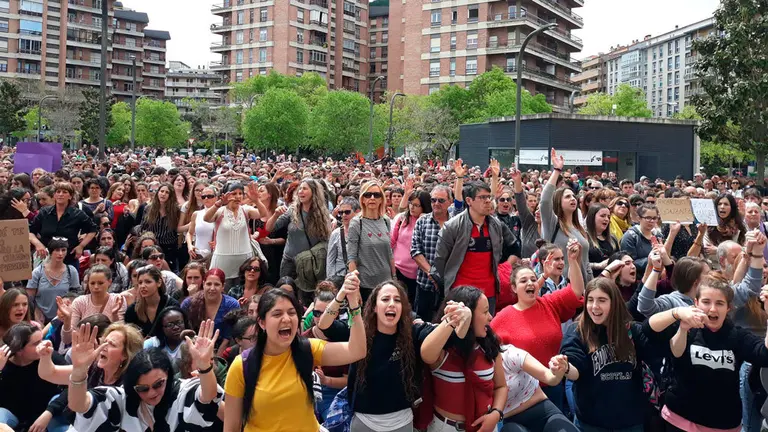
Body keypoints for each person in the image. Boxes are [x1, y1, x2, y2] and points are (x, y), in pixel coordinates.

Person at [223, 272, 366, 432]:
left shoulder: (308, 349)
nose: (286, 319)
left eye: (292, 313)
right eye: (277, 314)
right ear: (262, 323)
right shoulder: (241, 366)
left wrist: (353, 303)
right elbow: (231, 428)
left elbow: (357, 351)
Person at [644, 274, 768, 431]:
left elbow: (764, 355)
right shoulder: (686, 326)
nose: (713, 309)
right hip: (679, 418)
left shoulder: (737, 336)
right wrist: (676, 313)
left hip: (722, 424)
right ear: (696, 303)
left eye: (720, 303)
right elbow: (648, 329)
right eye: (706, 302)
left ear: (728, 308)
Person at [66, 320, 224, 431]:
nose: (152, 393)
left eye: (158, 384)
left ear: (168, 376)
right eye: (143, 388)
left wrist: (204, 367)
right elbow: (79, 405)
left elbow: (208, 396)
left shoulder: (180, 391)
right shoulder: (120, 397)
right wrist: (79, 371)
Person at [490, 239, 585, 411]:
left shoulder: (549, 303)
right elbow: (487, 350)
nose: (530, 283)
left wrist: (573, 261)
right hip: (523, 394)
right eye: (523, 281)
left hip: (555, 384)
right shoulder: (503, 318)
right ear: (513, 287)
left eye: (533, 279)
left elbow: (576, 291)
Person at [561, 278, 656, 432]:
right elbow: (575, 368)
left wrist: (675, 314)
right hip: (591, 422)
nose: (594, 306)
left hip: (630, 421)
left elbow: (654, 347)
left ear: (614, 303)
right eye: (590, 300)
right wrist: (564, 367)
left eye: (602, 300)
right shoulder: (578, 331)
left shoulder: (631, 330)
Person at [419, 286, 509, 432]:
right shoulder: (443, 348)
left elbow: (501, 386)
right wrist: (454, 319)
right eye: (485, 312)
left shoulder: (489, 345)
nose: (490, 317)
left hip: (484, 426)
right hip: (445, 427)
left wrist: (496, 414)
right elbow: (426, 354)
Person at [35, 322, 144, 432]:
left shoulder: (129, 383)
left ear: (125, 355)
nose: (104, 347)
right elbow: (49, 373)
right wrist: (45, 356)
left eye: (112, 344)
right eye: (104, 342)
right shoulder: (94, 368)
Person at [432, 182, 518, 315]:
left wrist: (505, 267)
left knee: (485, 332)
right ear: (469, 200)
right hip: (460, 293)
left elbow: (515, 247)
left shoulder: (496, 225)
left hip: (489, 293)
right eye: (482, 197)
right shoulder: (452, 227)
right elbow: (440, 261)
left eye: (489, 197)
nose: (488, 201)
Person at [265, 178, 333, 291]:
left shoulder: (322, 213)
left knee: (307, 295)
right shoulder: (292, 210)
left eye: (305, 189)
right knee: (285, 293)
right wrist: (275, 215)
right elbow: (269, 228)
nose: (300, 191)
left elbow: (326, 239)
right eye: (300, 189)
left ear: (314, 192)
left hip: (309, 264)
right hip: (289, 262)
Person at [0, 323, 67, 431]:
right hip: (13, 415)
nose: (43, 345)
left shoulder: (50, 356)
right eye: (36, 343)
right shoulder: (4, 364)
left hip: (48, 412)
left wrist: (50, 411)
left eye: (42, 340)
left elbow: (73, 385)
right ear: (19, 349)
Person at [541, 149, 591, 282]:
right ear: (558, 201)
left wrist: (591, 287)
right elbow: (545, 201)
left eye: (574, 196)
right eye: (567, 197)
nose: (573, 199)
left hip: (582, 289)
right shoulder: (553, 223)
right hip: (559, 288)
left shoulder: (579, 228)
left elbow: (586, 265)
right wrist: (557, 171)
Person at [30, 182, 98, 269]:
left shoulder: (77, 214)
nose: (60, 194)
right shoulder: (44, 212)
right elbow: (31, 231)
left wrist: (81, 246)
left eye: (65, 192)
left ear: (70, 196)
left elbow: (93, 229)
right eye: (58, 192)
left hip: (69, 259)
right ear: (54, 195)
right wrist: (38, 244)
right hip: (46, 258)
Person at [205, 182, 262, 285]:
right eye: (234, 193)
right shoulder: (220, 211)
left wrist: (257, 200)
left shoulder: (246, 210)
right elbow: (207, 218)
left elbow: (263, 214)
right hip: (223, 261)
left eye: (240, 193)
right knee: (222, 292)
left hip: (244, 261)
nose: (238, 196)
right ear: (226, 195)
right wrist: (218, 204)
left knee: (242, 293)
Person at [347, 181, 396, 301]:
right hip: (365, 285)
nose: (372, 198)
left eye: (376, 195)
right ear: (362, 199)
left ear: (381, 199)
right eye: (368, 195)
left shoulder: (386, 221)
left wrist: (394, 278)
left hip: (386, 283)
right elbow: (351, 259)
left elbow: (389, 252)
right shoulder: (356, 223)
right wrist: (356, 289)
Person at [411, 185, 453, 320]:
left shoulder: (456, 222)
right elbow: (415, 250)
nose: (436, 204)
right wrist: (432, 274)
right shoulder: (422, 222)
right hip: (425, 285)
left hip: (450, 287)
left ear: (450, 202)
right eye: (433, 200)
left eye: (441, 200)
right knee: (421, 323)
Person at [182, 268, 240, 355]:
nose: (212, 288)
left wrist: (215, 361)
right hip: (193, 350)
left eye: (217, 284)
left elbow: (227, 338)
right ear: (203, 284)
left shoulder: (231, 305)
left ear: (223, 286)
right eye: (209, 284)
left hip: (222, 352)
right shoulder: (189, 303)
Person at [26, 237, 80, 323]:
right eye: (57, 250)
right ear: (51, 252)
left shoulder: (71, 271)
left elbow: (75, 296)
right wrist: (36, 313)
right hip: (41, 319)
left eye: (63, 250)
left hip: (63, 318)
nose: (60, 253)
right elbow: (29, 298)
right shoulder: (37, 272)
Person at [391, 190, 430, 306]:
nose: (412, 208)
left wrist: (424, 221)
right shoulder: (402, 219)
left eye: (417, 205)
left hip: (420, 273)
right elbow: (391, 241)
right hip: (399, 270)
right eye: (411, 204)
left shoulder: (429, 222)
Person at [124, 265, 180, 336]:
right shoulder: (132, 310)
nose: (143, 286)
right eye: (140, 282)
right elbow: (129, 338)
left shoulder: (172, 305)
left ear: (159, 282)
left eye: (148, 282)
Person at [140, 182, 182, 272]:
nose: (163, 194)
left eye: (167, 192)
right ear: (157, 192)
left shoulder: (176, 210)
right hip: (153, 247)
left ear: (171, 196)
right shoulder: (148, 208)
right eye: (162, 191)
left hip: (169, 248)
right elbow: (143, 227)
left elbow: (177, 228)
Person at [620, 203, 662, 277]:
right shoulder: (630, 237)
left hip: (657, 276)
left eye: (654, 218)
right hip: (639, 279)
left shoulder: (658, 235)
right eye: (648, 218)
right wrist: (651, 258)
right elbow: (630, 263)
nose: (652, 221)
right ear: (639, 218)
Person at [327, 197, 360, 285]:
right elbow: (330, 260)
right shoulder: (336, 234)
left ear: (357, 212)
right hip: (340, 278)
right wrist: (331, 281)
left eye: (347, 212)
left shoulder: (363, 231)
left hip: (360, 278)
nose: (344, 215)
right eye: (341, 212)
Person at [511, 167, 540, 259]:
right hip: (527, 266)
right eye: (538, 209)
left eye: (542, 210)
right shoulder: (530, 222)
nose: (539, 212)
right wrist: (517, 181)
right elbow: (520, 201)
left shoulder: (551, 227)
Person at [586, 203, 619, 278]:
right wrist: (598, 265)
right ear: (592, 218)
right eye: (602, 216)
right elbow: (580, 264)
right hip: (593, 280)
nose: (606, 219)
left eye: (608, 216)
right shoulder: (584, 238)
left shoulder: (613, 239)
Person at [185, 184, 217, 261]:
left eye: (209, 196)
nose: (206, 198)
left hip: (216, 254)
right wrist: (190, 246)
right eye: (203, 197)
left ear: (216, 198)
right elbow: (190, 233)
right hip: (197, 254)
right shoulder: (196, 214)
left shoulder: (222, 213)